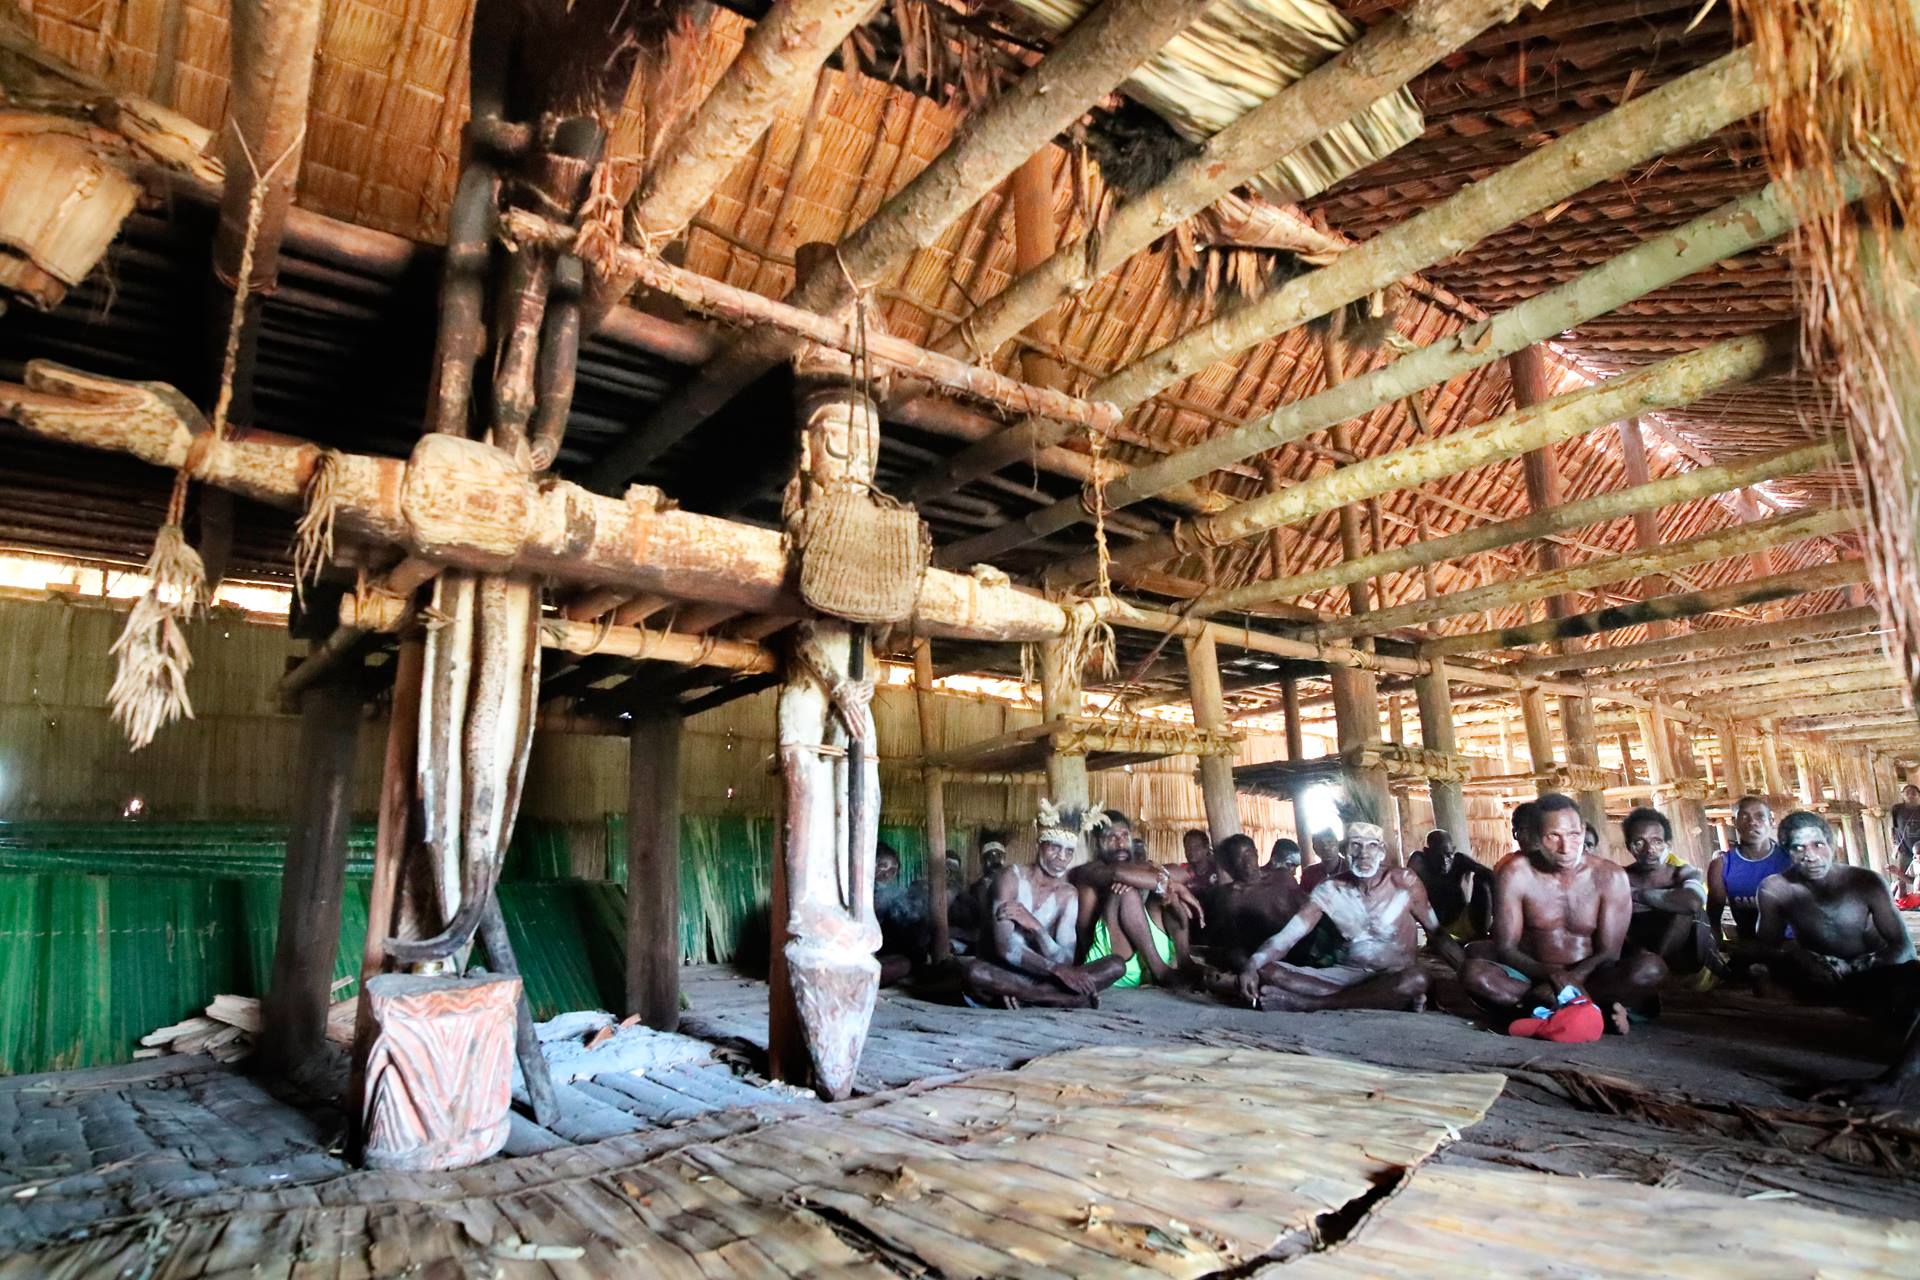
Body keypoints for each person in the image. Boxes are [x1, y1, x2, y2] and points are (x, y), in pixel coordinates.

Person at [1460, 793, 1667, 1033]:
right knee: (1473, 973)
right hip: (1532, 976)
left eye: (1574, 835)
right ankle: (1591, 1010)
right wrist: (1553, 975)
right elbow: (1507, 947)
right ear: (1537, 837)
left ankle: (1542, 1011)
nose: (1566, 847)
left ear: (1582, 829)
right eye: (1553, 836)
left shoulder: (1609, 876)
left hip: (1592, 976)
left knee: (1652, 968)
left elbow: (1609, 951)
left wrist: (1572, 979)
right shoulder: (1515, 874)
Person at [1223, 823, 1459, 1012]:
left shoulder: (1404, 882)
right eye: (1355, 846)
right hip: (1344, 975)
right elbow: (1287, 937)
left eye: (1371, 846)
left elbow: (1437, 934)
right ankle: (1386, 1001)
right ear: (1345, 850)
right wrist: (1251, 966)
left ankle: (1310, 1003)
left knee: (1416, 979)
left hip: (1394, 974)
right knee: (1267, 970)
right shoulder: (1330, 889)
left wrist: (1466, 971)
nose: (1363, 854)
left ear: (1382, 852)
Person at [1749, 811, 1916, 1006]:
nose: (1810, 856)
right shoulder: (1775, 889)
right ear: (1786, 852)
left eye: (1818, 845)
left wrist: (1861, 965)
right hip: (1821, 976)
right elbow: (1766, 948)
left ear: (1832, 845)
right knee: (1761, 976)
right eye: (1798, 848)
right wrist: (1800, 958)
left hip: (1875, 972)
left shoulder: (1866, 881)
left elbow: (1904, 947)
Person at [961, 815, 1127, 1009]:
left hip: (1044, 977)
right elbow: (1004, 948)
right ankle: (1060, 998)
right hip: (1005, 973)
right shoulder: (1009, 879)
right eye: (1055, 847)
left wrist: (1036, 928)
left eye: (1069, 851)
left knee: (1116, 965)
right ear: (1040, 844)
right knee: (974, 971)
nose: (1062, 857)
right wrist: (1057, 969)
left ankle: (1025, 997)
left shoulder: (1068, 896)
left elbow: (1065, 958)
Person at [1070, 810, 1205, 989]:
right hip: (1114, 963)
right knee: (1123, 891)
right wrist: (1170, 883)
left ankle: (1184, 959)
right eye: (1111, 837)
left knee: (1166, 895)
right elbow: (1117, 873)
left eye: (1125, 835)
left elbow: (1182, 873)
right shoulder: (1088, 871)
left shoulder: (1140, 867)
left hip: (1145, 956)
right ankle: (1161, 972)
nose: (1120, 843)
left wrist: (1170, 886)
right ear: (1097, 843)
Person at [1620, 807, 1722, 978]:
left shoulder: (1684, 873)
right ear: (1628, 847)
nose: (1649, 849)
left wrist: (1635, 894)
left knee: (1684, 911)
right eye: (1639, 842)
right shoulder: (1619, 876)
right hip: (1636, 955)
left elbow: (1692, 902)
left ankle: (1658, 970)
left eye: (1657, 842)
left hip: (1684, 961)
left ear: (1668, 845)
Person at [1203, 832, 1304, 965]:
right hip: (1264, 959)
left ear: (1256, 853)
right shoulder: (1227, 898)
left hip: (1300, 948)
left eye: (1248, 853)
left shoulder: (1283, 878)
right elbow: (1229, 945)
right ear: (1228, 865)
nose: (1246, 862)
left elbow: (1308, 910)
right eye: (1236, 857)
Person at [1707, 796, 1791, 952]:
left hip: (1793, 945)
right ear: (1734, 822)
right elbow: (1713, 918)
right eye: (1744, 816)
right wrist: (1717, 943)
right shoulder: (1722, 865)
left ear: (1771, 822)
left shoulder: (1790, 860)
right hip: (1751, 947)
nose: (1752, 822)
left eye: (1760, 816)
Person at [1407, 828, 1493, 942]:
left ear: (1453, 850)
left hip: (1467, 920)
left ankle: (1484, 934)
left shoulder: (1459, 860)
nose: (1444, 862)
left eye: (1448, 855)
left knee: (1482, 879)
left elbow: (1490, 875)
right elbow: (1405, 889)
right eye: (1438, 856)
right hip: (1439, 929)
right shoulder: (1420, 863)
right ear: (1427, 852)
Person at [873, 844, 929, 985]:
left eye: (893, 869)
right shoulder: (857, 891)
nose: (887, 873)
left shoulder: (894, 895)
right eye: (882, 866)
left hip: (883, 954)